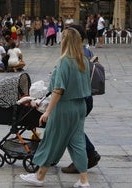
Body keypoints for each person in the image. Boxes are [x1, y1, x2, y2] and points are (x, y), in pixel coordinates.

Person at [20, 28, 91, 187]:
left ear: (65, 41)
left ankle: (39, 177)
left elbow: (58, 90)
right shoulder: (84, 60)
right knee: (78, 142)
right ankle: (84, 181)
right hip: (80, 106)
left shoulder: (64, 62)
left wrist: (48, 111)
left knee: (51, 140)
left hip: (64, 107)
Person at [61, 24, 101, 174]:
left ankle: (88, 155)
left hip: (80, 98)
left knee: (72, 129)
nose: (62, 38)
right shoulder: (85, 51)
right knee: (73, 128)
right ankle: (87, 156)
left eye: (65, 35)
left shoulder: (78, 54)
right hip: (85, 96)